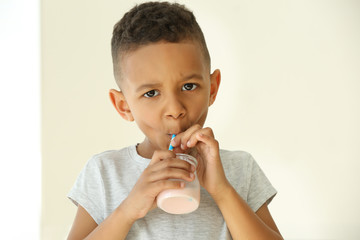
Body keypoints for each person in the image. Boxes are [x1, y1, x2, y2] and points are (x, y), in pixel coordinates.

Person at [67, 2, 283, 239]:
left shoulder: (241, 169)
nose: (175, 109)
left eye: (188, 86)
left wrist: (222, 192)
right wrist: (129, 209)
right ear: (123, 105)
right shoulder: (104, 173)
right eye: (151, 93)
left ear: (212, 88)